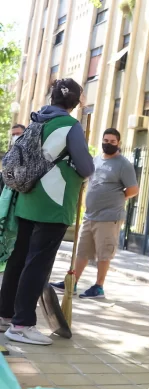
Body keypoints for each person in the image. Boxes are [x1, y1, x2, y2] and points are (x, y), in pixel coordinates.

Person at [0, 78, 95, 346]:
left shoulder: (36, 120)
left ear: (52, 97)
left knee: (19, 259)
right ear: (76, 102)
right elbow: (86, 167)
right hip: (53, 203)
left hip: (27, 199)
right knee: (38, 263)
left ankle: (5, 315)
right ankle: (22, 325)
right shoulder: (70, 125)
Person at [51, 128, 139, 299]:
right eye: (106, 140)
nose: (108, 144)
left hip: (109, 217)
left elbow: (133, 190)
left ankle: (99, 287)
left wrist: (116, 199)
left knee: (104, 253)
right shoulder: (96, 160)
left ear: (118, 143)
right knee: (82, 251)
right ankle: (72, 282)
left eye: (112, 141)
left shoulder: (123, 164)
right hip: (90, 215)